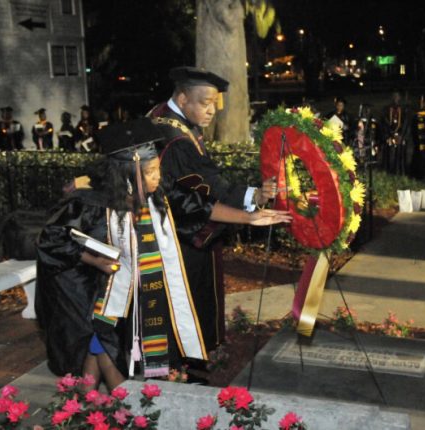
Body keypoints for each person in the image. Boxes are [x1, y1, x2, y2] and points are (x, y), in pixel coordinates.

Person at [36, 118, 289, 389]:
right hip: (95, 292)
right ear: (129, 175)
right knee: (103, 343)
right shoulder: (92, 204)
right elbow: (53, 239)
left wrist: (249, 218)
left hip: (137, 296)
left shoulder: (159, 196)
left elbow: (200, 208)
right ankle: (121, 406)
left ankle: (87, 407)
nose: (158, 176)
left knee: (99, 348)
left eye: (158, 169)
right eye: (152, 171)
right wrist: (95, 260)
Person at [148, 66, 279, 365]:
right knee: (192, 293)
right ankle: (192, 355)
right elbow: (208, 186)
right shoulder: (176, 138)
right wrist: (255, 196)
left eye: (214, 105)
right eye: (204, 103)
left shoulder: (160, 115)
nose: (211, 112)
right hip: (183, 235)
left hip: (165, 226)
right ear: (182, 99)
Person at [381, 90, 409, 175]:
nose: (395, 98)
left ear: (400, 98)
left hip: (400, 136)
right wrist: (388, 135)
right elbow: (384, 123)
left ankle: (400, 173)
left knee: (400, 156)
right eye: (394, 96)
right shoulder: (386, 109)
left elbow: (406, 124)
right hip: (389, 135)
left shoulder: (404, 110)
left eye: (397, 96)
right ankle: (388, 173)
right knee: (389, 156)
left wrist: (402, 136)